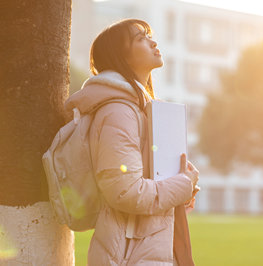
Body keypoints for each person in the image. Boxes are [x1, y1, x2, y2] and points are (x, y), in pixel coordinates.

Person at [64, 19, 200, 265]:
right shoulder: (118, 111)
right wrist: (181, 185)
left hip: (145, 250)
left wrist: (181, 187)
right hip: (128, 256)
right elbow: (125, 192)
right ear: (121, 56)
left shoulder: (139, 110)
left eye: (149, 35)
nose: (153, 42)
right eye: (140, 38)